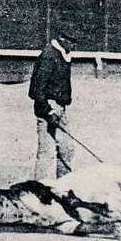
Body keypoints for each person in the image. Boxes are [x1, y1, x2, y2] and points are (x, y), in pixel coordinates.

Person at [28, 33, 77, 180]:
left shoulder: (61, 55)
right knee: (47, 152)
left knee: (67, 149)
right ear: (63, 40)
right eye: (72, 42)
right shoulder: (49, 56)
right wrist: (48, 111)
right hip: (48, 108)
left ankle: (65, 186)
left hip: (60, 108)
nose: (74, 46)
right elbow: (36, 89)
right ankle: (39, 189)